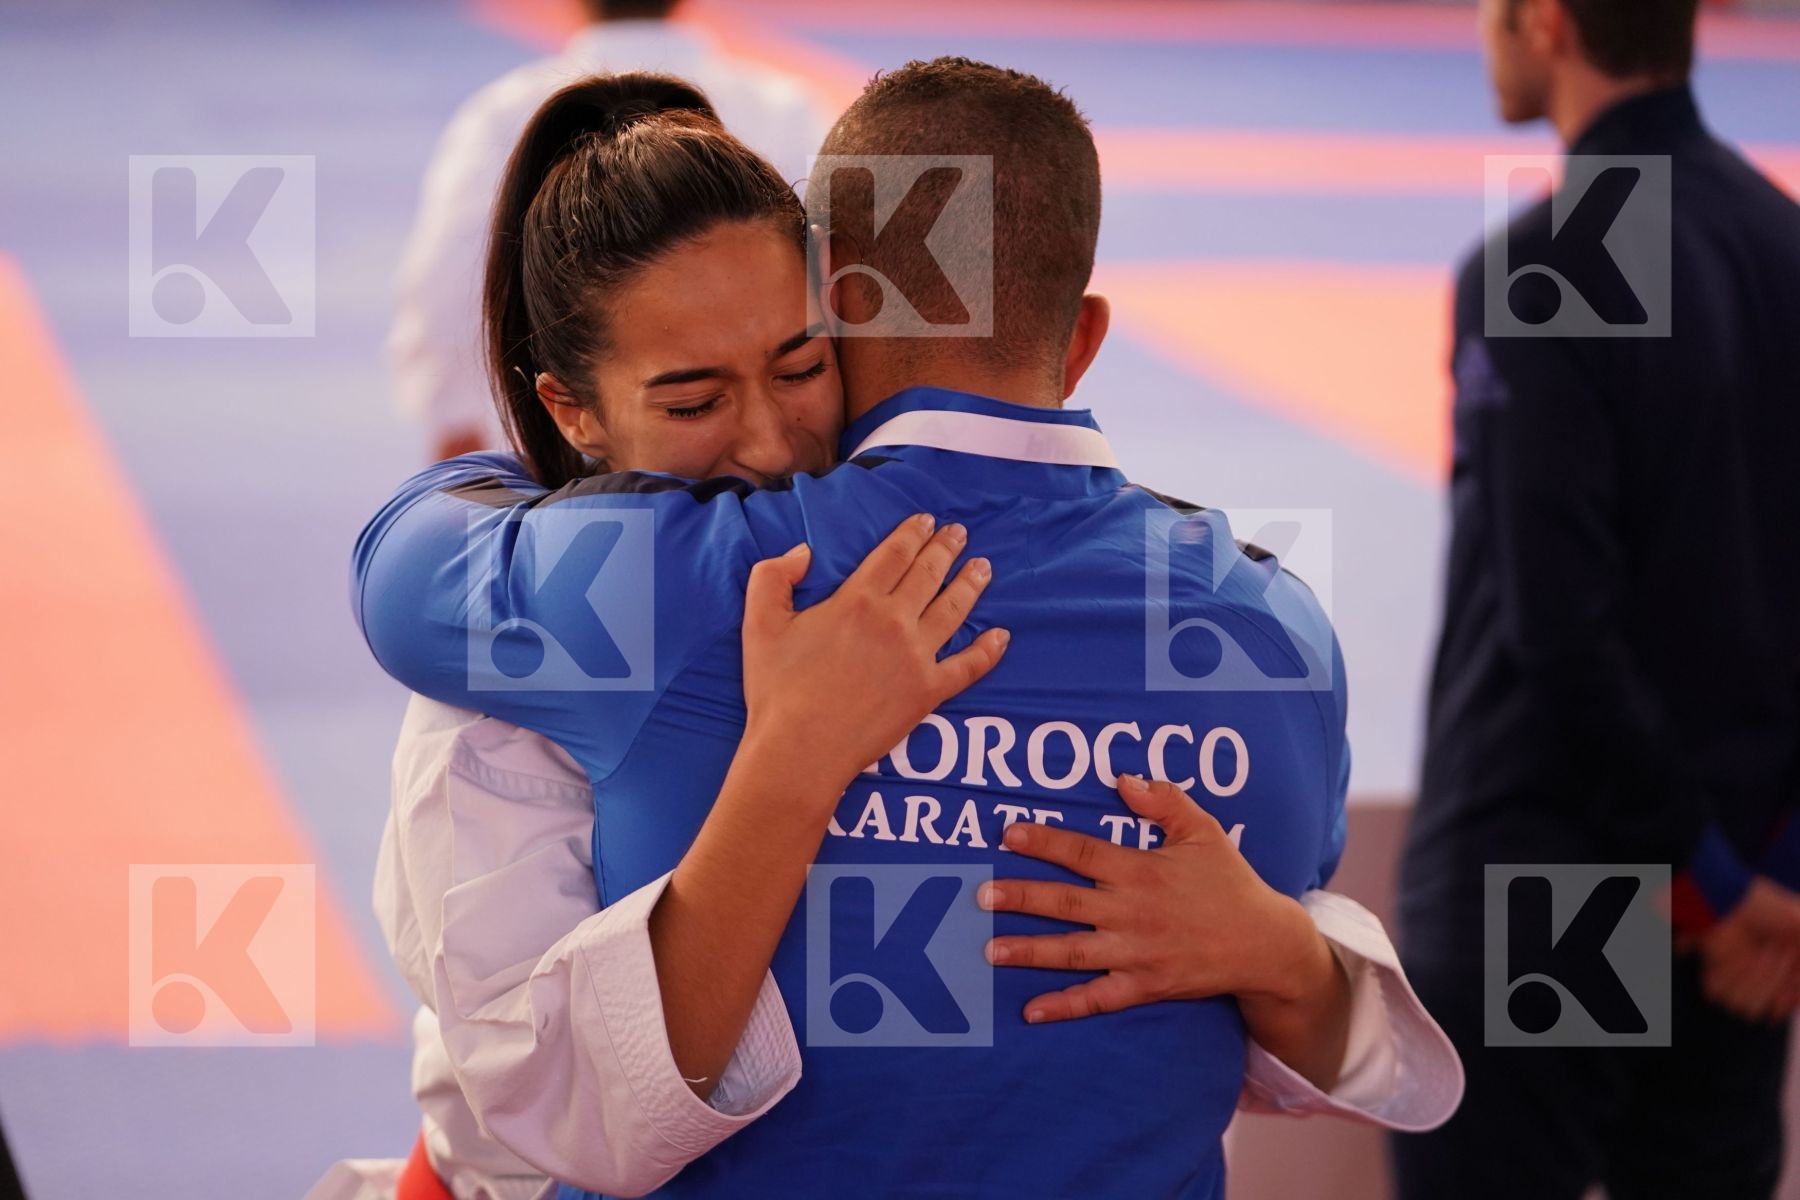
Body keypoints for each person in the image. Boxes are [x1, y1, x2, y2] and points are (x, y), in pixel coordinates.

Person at [354, 63, 1462, 1199]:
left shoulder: (648, 583)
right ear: (1080, 339)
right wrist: (1282, 953)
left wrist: (506, 491)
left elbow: (397, 576)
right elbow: (1291, 1051)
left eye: (794, 365)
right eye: (694, 401)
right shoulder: (1273, 637)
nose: (771, 442)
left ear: (837, 310)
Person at [1393, 1, 1800, 1197]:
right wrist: (1764, 877)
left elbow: (1558, 625)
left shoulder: (1546, 264)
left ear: (1550, 23)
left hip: (1557, 876)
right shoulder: (1785, 249)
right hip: (1742, 895)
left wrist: (1708, 882)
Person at [389, 0, 828, 461]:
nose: (772, 452)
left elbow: (443, 284)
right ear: (568, 408)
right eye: (691, 406)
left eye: (801, 371)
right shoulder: (783, 108)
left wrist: (455, 422)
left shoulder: (497, 114)